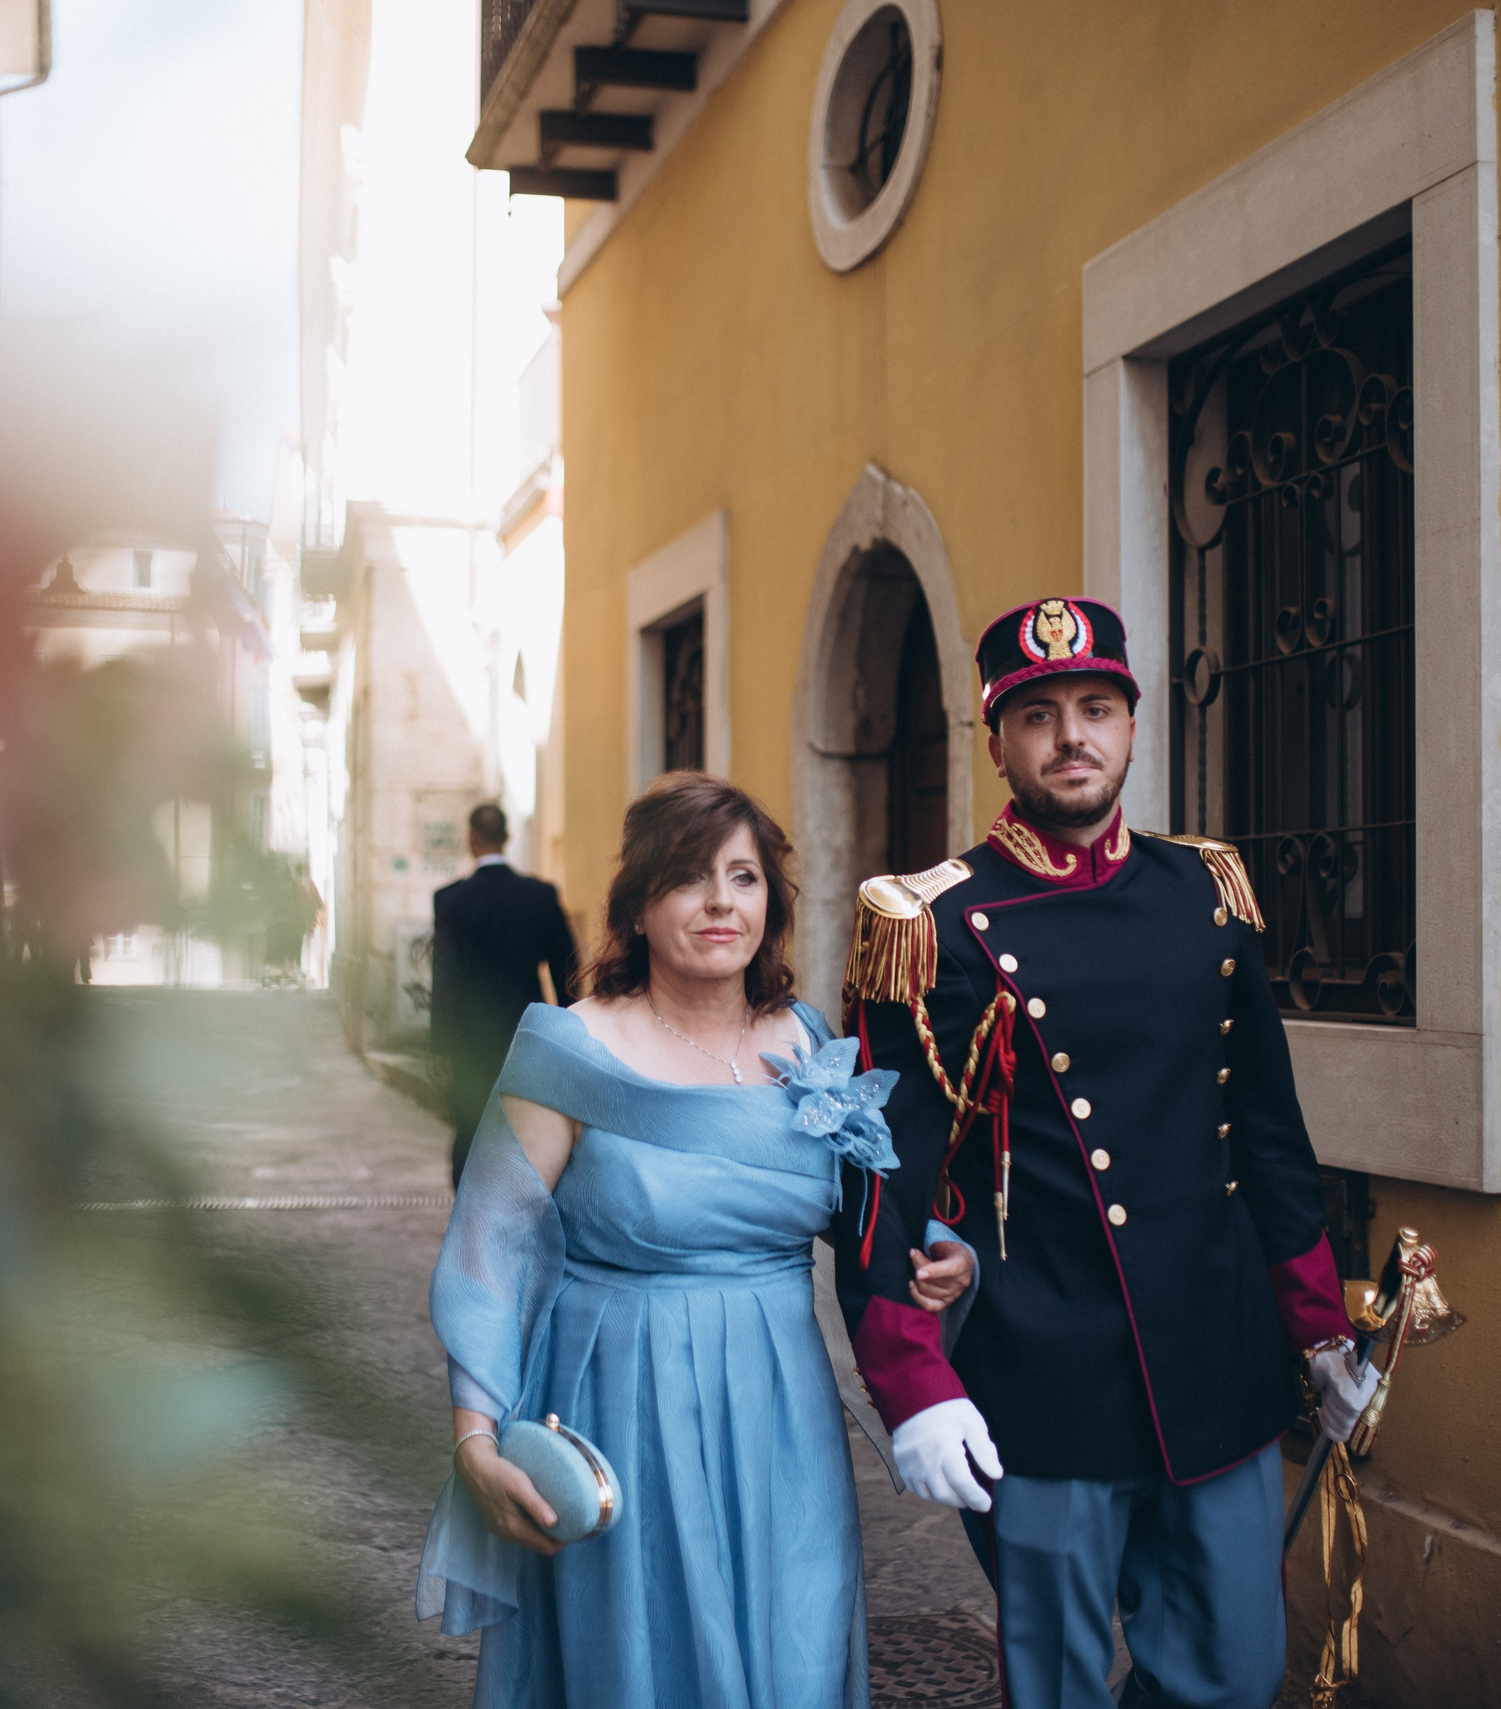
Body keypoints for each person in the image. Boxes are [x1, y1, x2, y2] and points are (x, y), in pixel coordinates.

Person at [831, 598, 1380, 1709]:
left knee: (1231, 1672)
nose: (1069, 735)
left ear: (1133, 726)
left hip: (1214, 1359)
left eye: (1094, 707)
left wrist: (1317, 1327)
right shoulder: (932, 920)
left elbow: (1267, 1135)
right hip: (1043, 1375)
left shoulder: (1204, 889)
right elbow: (878, 1166)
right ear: (998, 741)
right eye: (1036, 715)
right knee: (1058, 1684)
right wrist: (910, 1378)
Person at [418, 772, 974, 1709]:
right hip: (625, 1397)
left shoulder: (802, 1039)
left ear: (772, 903)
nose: (721, 900)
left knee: (796, 1641)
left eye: (745, 876)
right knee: (647, 1664)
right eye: (690, 877)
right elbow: (490, 1245)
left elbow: (853, 1201)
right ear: (637, 906)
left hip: (782, 1403)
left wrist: (935, 1243)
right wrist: (477, 1441)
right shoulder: (569, 1047)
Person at [431, 803, 580, 1184]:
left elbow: (446, 978)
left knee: (471, 1131)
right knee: (528, 1130)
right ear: (507, 838)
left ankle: (471, 1221)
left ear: (471, 839)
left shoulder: (450, 900)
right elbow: (568, 970)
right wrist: (573, 1035)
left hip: (470, 1041)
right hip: (526, 1034)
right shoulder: (540, 895)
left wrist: (440, 1048)